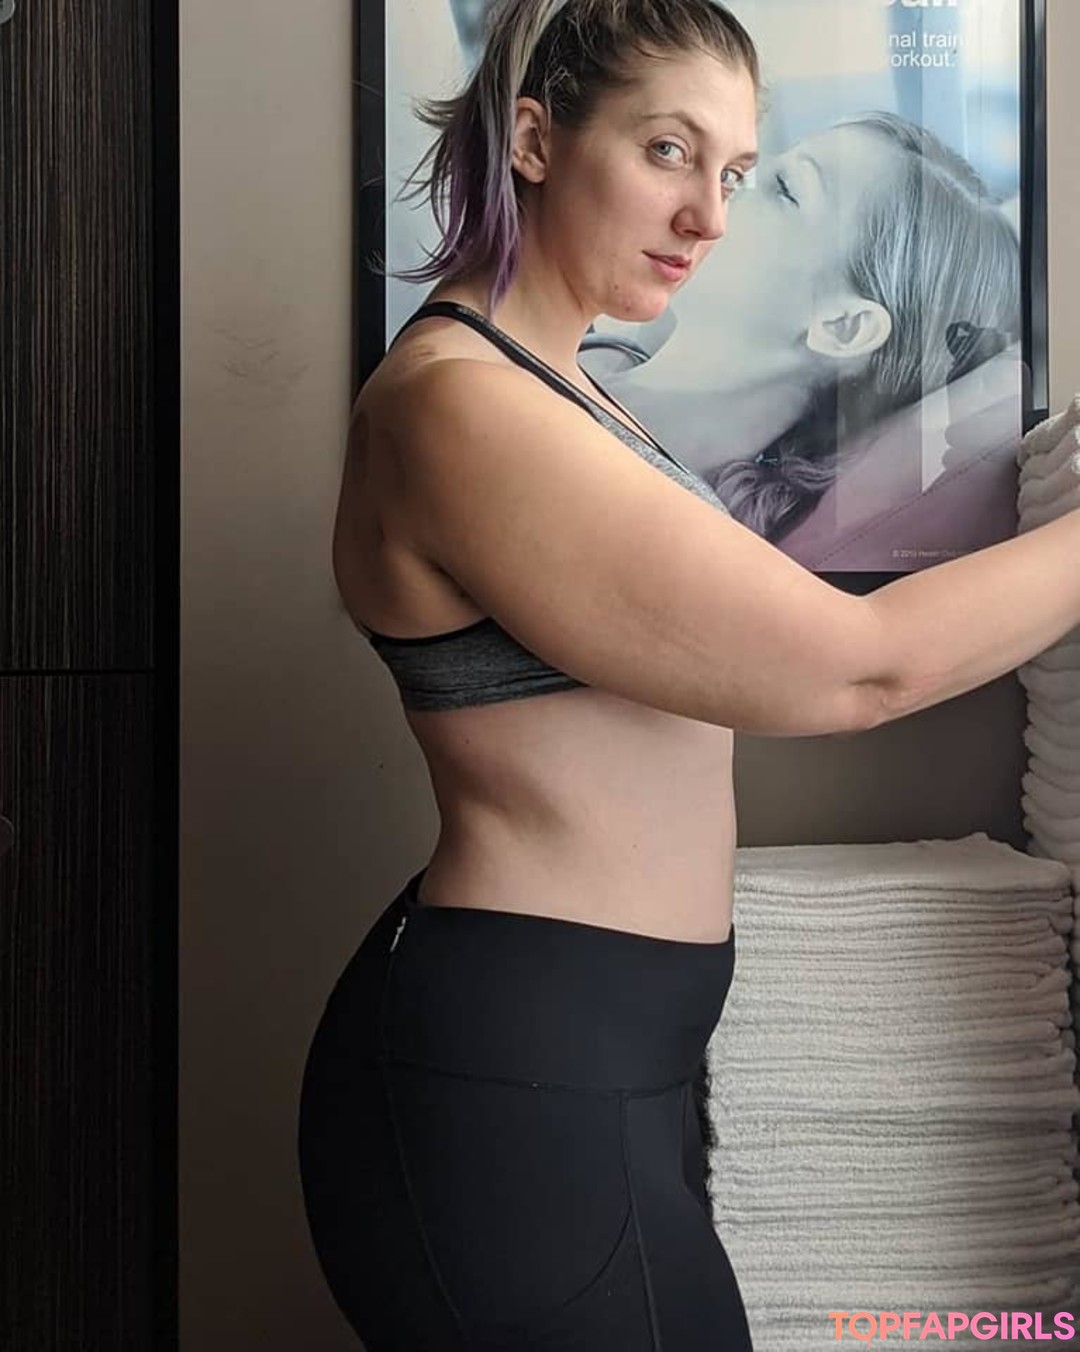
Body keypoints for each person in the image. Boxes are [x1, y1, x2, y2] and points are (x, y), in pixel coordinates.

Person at [298, 2, 1080, 1348]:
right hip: (518, 1070)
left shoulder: (570, 388)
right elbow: (861, 672)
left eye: (738, 171)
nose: (708, 216)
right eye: (669, 151)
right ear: (535, 139)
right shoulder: (459, 404)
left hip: (591, 1055)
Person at [583, 112, 1022, 543]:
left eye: (785, 190)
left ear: (843, 327)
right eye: (748, 168)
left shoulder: (665, 518)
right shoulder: (596, 353)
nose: (728, 186)